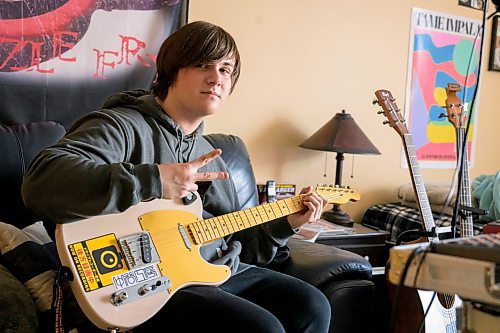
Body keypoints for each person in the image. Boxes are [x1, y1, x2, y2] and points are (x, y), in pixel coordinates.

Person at [22, 21, 331, 333]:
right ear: (171, 71)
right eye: (202, 65)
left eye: (226, 70)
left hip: (217, 270)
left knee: (312, 305)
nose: (216, 78)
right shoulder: (122, 126)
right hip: (153, 281)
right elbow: (41, 181)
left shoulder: (212, 152)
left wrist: (288, 222)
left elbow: (239, 242)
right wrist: (154, 179)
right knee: (262, 327)